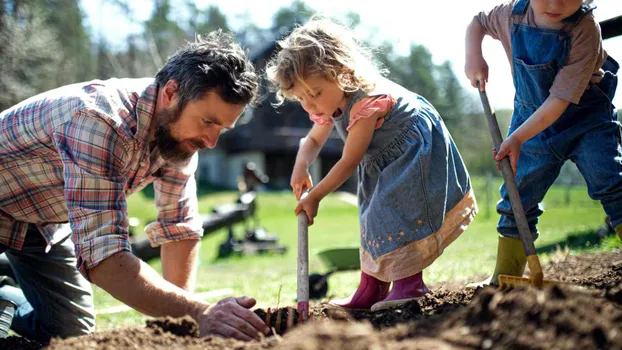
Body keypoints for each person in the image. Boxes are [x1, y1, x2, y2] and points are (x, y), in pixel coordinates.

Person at [0, 30, 270, 342]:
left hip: (41, 221)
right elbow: (104, 257)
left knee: (72, 336)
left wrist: (179, 325)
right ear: (170, 93)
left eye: (222, 129)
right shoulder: (98, 119)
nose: (210, 142)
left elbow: (179, 229)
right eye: (208, 122)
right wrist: (199, 312)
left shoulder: (179, 137)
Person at [266, 18, 477, 311]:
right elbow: (312, 142)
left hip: (411, 148)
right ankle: (372, 288)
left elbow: (349, 161)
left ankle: (409, 284)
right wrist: (300, 168)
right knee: (372, 217)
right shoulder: (329, 101)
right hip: (381, 157)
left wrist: (316, 196)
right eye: (302, 98)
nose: (310, 105)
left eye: (315, 93)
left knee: (397, 212)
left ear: (341, 73)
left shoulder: (366, 103)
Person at [465, 0, 620, 286]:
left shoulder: (585, 28)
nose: (554, 3)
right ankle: (504, 276)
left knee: (609, 179)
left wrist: (517, 137)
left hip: (585, 121)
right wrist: (474, 56)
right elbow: (478, 22)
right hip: (531, 122)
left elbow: (560, 100)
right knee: (517, 196)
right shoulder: (511, 15)